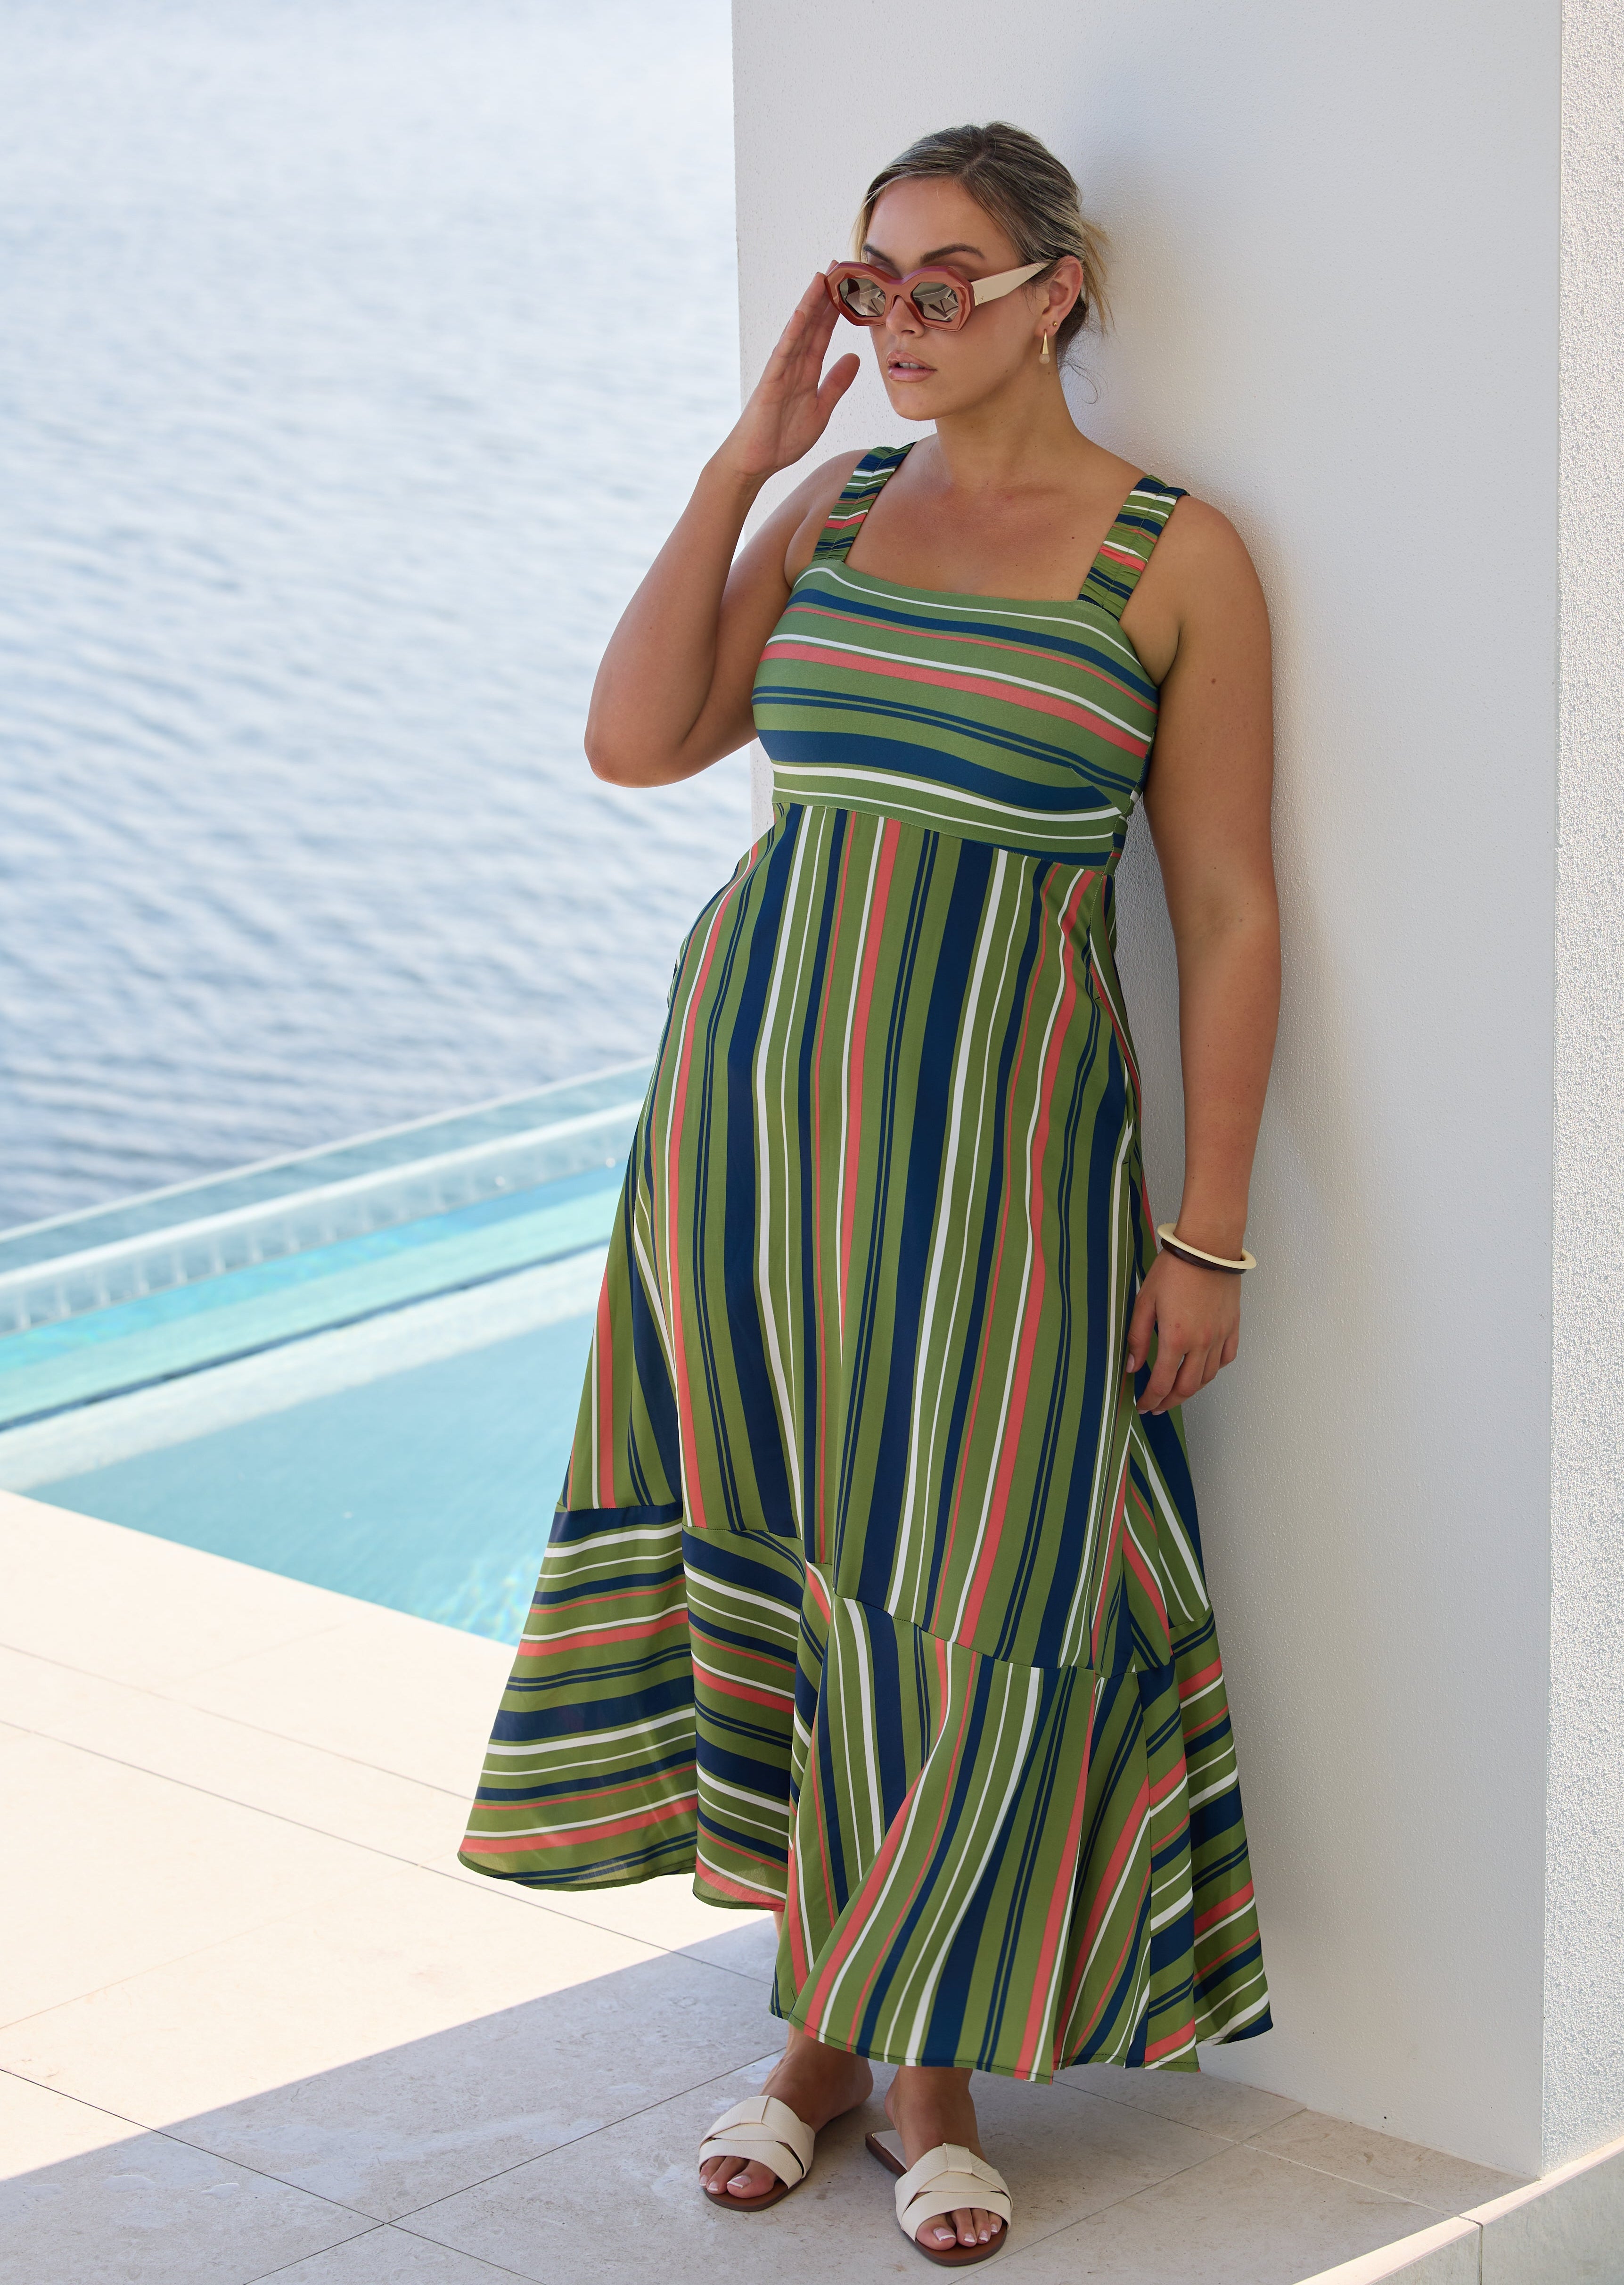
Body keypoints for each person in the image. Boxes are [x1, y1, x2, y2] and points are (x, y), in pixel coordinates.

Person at [460, 120, 1278, 2265]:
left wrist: (1204, 1224)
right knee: (808, 1557)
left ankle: (891, 2058)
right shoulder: (827, 510)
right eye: (870, 282)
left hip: (1001, 1159)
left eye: (944, 281)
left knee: (973, 1569)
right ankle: (855, 2051)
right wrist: (745, 455)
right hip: (749, 1136)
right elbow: (638, 743)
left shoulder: (1171, 554)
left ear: (1055, 292)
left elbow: (1228, 906)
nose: (898, 322)